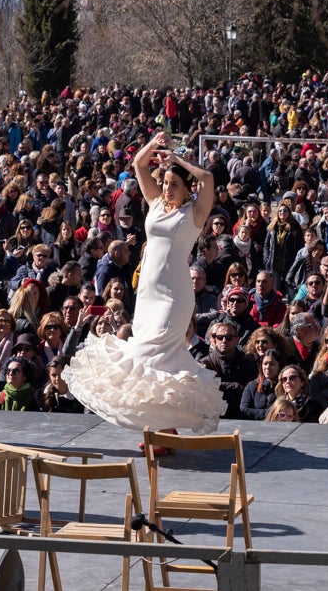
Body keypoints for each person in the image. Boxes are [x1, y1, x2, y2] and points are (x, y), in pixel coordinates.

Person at [64, 131, 226, 436]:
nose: (166, 189)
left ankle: (163, 426)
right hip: (148, 291)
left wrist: (177, 159)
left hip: (175, 294)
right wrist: (154, 146)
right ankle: (158, 428)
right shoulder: (154, 204)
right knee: (145, 351)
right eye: (164, 183)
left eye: (173, 184)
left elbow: (206, 177)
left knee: (157, 355)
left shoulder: (195, 211)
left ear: (186, 188)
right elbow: (139, 165)